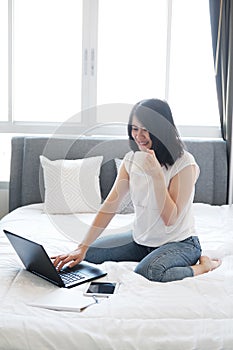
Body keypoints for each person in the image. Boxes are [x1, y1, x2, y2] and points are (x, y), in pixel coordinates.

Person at [52, 98, 221, 282]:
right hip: (141, 241)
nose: (138, 136)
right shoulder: (131, 160)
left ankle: (204, 266)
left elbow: (170, 219)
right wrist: (82, 247)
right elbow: (110, 205)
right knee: (89, 255)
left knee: (150, 271)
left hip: (180, 243)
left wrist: (157, 175)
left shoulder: (184, 163)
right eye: (134, 128)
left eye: (146, 130)